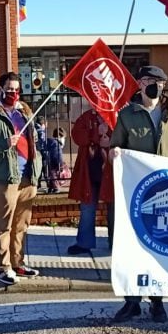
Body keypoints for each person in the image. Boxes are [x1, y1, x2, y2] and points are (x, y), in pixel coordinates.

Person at [110, 65, 168, 323]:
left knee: (159, 247)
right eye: (147, 80)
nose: (152, 85)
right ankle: (132, 301)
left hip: (166, 192)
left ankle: (157, 302)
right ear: (140, 84)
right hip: (137, 193)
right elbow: (116, 147)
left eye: (157, 81)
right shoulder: (127, 115)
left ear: (164, 85)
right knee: (133, 247)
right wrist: (114, 154)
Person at [0, 72, 42, 286]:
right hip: (5, 176)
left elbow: (33, 138)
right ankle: (2, 267)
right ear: (0, 89)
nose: (13, 93)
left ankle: (17, 262)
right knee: (4, 222)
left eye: (16, 89)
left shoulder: (25, 111)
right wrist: (4, 142)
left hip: (27, 175)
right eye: (9, 89)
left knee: (22, 223)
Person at [68, 108, 114, 254]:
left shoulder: (118, 117)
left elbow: (126, 139)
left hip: (112, 172)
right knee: (87, 209)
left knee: (114, 210)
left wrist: (110, 143)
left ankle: (115, 243)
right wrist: (96, 133)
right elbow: (76, 135)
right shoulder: (87, 117)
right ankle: (84, 243)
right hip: (90, 172)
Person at [42, 128, 66, 194]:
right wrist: (60, 164)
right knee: (55, 176)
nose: (64, 140)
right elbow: (57, 155)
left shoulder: (50, 142)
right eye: (64, 138)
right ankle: (55, 188)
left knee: (50, 176)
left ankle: (51, 187)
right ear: (60, 137)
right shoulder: (56, 144)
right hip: (54, 163)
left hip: (48, 162)